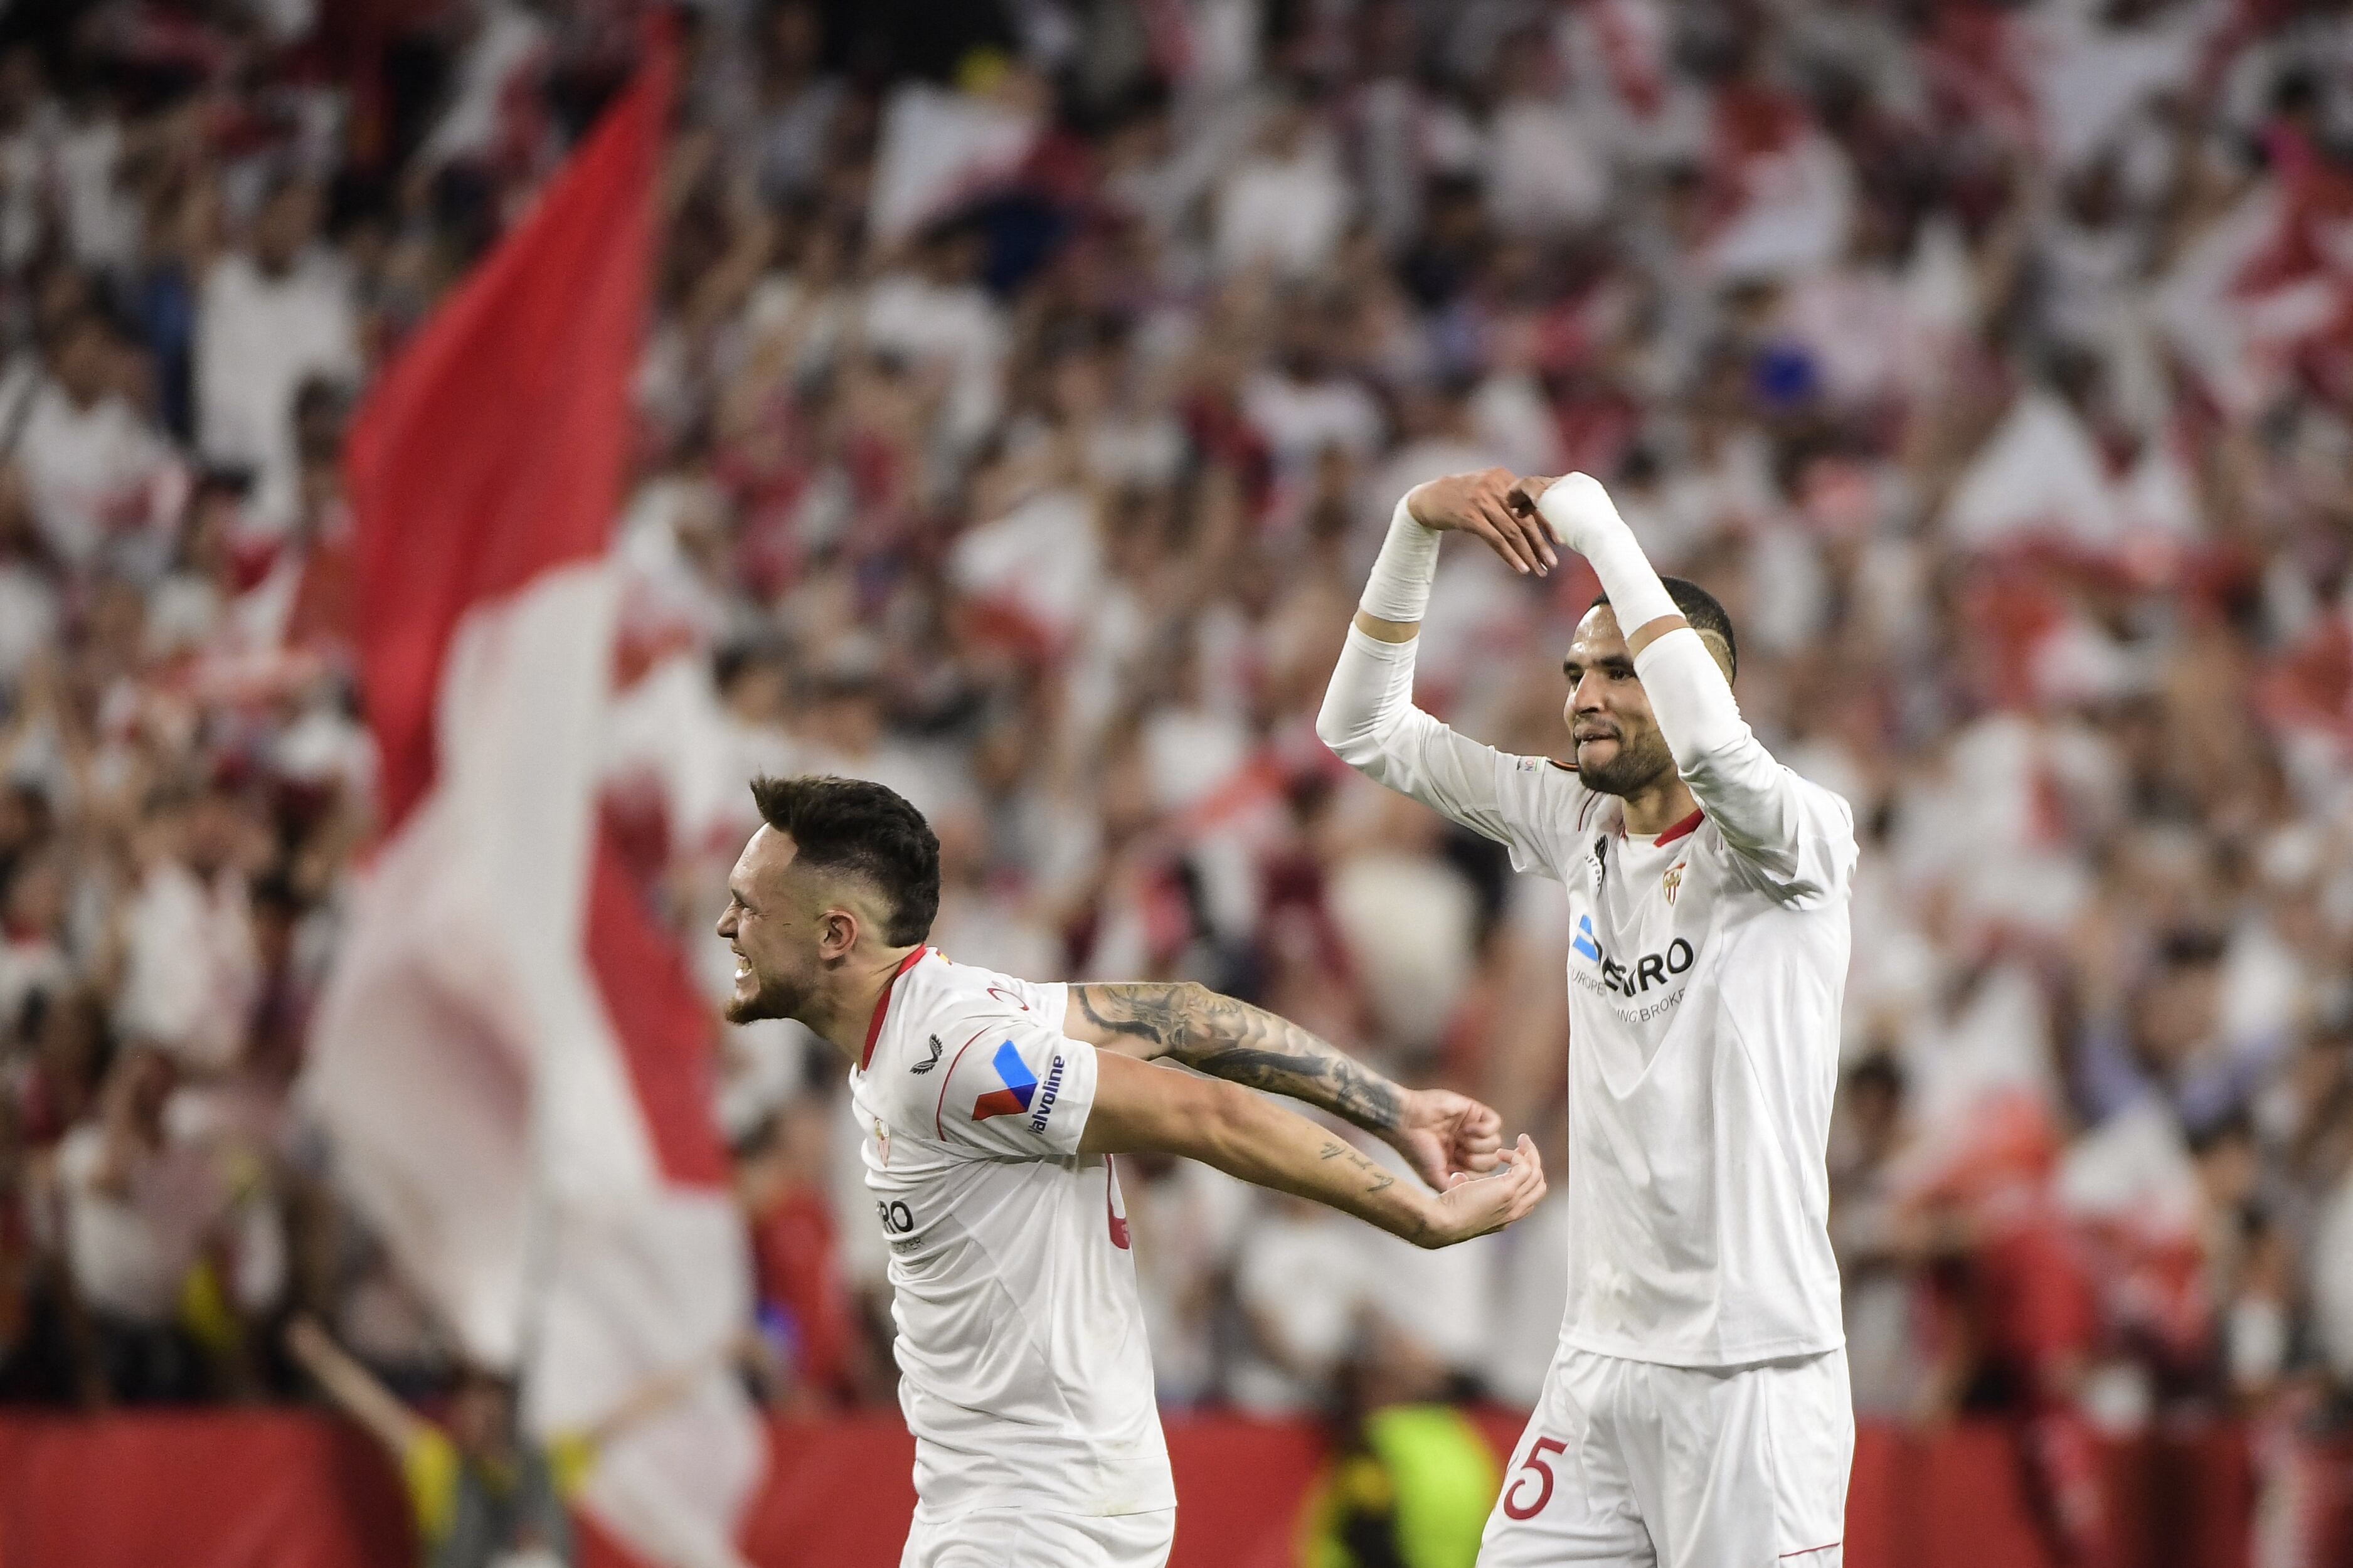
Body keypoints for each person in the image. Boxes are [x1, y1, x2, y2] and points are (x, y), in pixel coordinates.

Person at [715, 773, 1547, 1568]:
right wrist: (1391, 1108)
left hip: (1036, 1510)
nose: (725, 926)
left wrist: (1418, 1215)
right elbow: (1183, 1015)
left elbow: (1202, 1113)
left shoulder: (949, 1062)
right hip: (1004, 1499)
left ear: (834, 934)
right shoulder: (950, 1006)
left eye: (750, 908)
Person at [1316, 469, 1857, 1567]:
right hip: (1600, 1362)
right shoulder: (1576, 826)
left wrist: (1598, 523)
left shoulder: (1797, 843)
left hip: (1750, 1371)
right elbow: (1360, 727)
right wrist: (1416, 520)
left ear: (1698, 680)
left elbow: (1715, 754)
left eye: (1618, 670)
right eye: (1574, 672)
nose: (1583, 696)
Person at [284, 1315, 728, 1568]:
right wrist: (320, 1357)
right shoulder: (440, 1468)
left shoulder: (551, 1463)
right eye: (466, 1404)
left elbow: (630, 1412)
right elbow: (378, 1411)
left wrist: (710, 1361)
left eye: (487, 1403)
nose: (475, 1417)